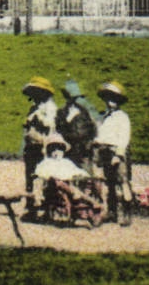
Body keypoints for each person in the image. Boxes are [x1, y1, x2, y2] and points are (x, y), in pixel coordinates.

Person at [34, 134, 103, 226]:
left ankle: (88, 202)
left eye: (59, 149)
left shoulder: (66, 162)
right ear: (49, 151)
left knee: (91, 181)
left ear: (63, 151)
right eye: (53, 149)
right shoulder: (46, 163)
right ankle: (89, 200)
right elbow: (41, 174)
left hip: (69, 185)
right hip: (53, 187)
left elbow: (78, 171)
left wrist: (84, 176)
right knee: (58, 182)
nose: (56, 152)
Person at [93, 80, 134, 226]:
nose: (109, 101)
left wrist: (118, 155)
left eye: (112, 98)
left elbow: (124, 138)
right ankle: (112, 212)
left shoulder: (122, 117)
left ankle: (127, 213)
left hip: (116, 152)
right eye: (107, 98)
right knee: (109, 183)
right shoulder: (103, 117)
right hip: (104, 151)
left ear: (118, 100)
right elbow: (101, 134)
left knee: (122, 182)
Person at [20, 76, 58, 219]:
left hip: (43, 146)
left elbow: (51, 125)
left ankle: (46, 207)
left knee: (43, 176)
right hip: (31, 146)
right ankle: (31, 207)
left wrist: (39, 117)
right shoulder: (34, 107)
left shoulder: (50, 107)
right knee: (30, 177)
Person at [57, 77, 100, 171]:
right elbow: (58, 129)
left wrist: (89, 145)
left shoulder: (85, 111)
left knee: (85, 178)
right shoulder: (61, 112)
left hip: (83, 151)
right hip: (67, 150)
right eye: (68, 96)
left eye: (73, 97)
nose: (71, 99)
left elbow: (94, 129)